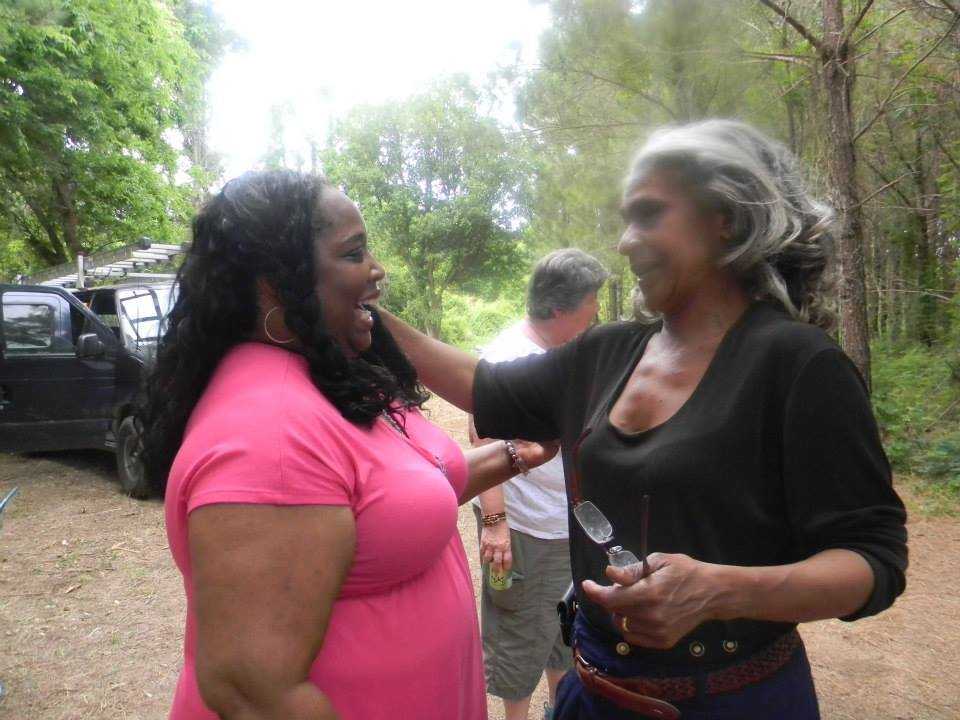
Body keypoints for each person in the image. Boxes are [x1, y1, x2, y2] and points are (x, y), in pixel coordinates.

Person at [377, 119, 909, 719]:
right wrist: (365, 312)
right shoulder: (605, 352)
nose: (627, 242)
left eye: (649, 214)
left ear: (724, 220)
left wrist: (720, 591)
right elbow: (485, 387)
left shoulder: (799, 365)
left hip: (732, 701)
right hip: (592, 694)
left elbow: (874, 559)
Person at [140, 169, 557, 720]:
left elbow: (391, 501)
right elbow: (256, 694)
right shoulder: (272, 434)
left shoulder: (328, 374)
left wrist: (514, 455)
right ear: (276, 281)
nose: (376, 271)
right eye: (354, 252)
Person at [470, 249, 608, 720]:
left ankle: (558, 711)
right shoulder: (510, 358)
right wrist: (495, 523)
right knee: (519, 640)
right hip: (526, 532)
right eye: (592, 304)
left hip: (561, 525)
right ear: (558, 310)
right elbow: (480, 435)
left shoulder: (560, 354)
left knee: (559, 636)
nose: (597, 314)